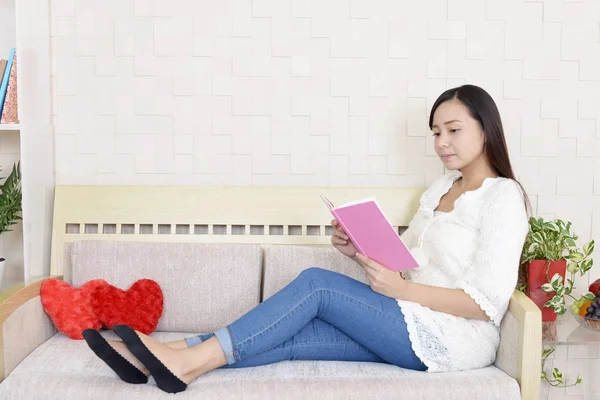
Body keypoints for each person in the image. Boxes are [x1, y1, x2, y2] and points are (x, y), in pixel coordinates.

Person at [82, 84, 531, 394]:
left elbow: (486, 302)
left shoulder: (503, 198)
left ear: (485, 128)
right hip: (404, 314)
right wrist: (359, 253)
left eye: (453, 130)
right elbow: (404, 266)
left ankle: (182, 363)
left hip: (454, 339)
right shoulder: (439, 189)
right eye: (436, 132)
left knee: (317, 284)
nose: (441, 142)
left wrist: (405, 290)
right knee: (294, 335)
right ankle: (160, 354)